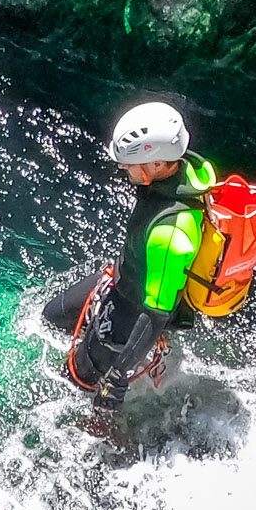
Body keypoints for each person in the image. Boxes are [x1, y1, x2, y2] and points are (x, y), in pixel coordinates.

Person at [43, 101, 216, 416]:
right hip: (122, 280)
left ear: (156, 164)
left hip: (131, 313)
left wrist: (118, 376)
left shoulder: (170, 235)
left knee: (76, 384)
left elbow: (155, 314)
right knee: (52, 317)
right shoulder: (181, 171)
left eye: (129, 163)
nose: (122, 169)